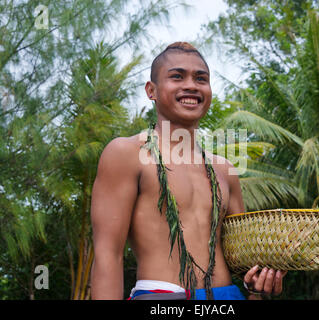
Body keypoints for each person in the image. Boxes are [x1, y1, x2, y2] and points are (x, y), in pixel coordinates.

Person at [90, 42, 287, 300]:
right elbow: (108, 254)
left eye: (201, 78)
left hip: (227, 297)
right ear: (152, 90)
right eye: (177, 76)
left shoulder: (225, 169)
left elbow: (244, 263)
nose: (192, 85)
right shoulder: (126, 153)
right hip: (162, 297)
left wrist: (259, 285)